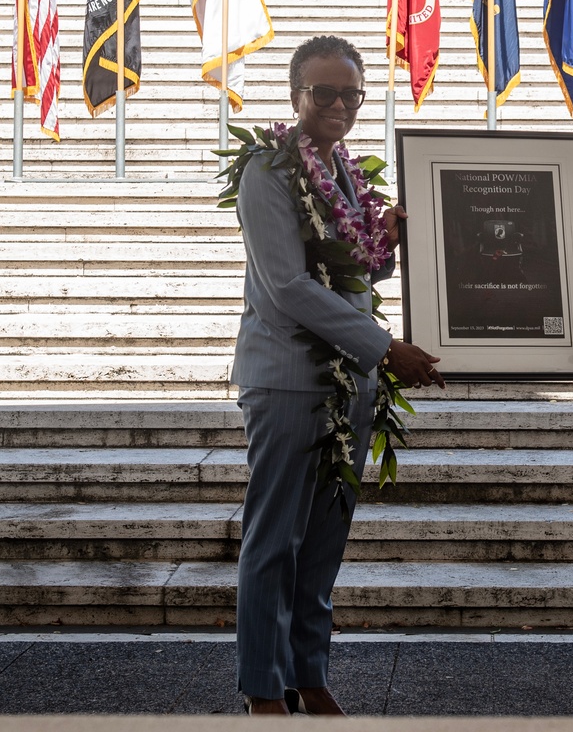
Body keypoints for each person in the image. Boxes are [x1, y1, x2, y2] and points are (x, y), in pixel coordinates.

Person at [232, 35, 445, 717]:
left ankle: (308, 670)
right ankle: (264, 686)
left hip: (348, 382)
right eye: (323, 92)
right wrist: (384, 347)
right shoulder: (267, 171)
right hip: (290, 378)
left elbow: (348, 273)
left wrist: (386, 242)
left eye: (350, 93)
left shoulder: (345, 168)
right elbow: (290, 286)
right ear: (295, 95)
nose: (338, 105)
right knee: (273, 540)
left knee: (326, 538)